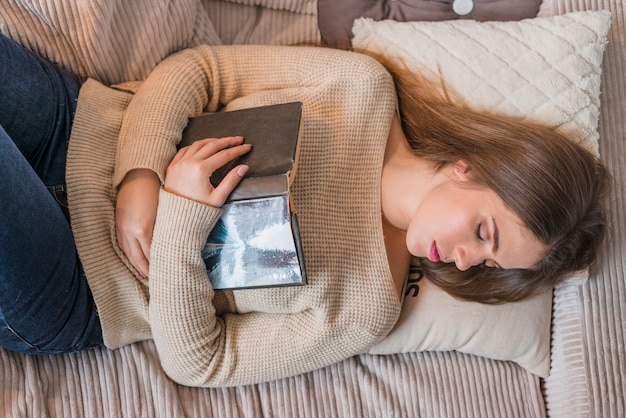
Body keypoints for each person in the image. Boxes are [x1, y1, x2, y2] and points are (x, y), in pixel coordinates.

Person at [0, 32, 609, 387]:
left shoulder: (371, 305)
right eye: (484, 230)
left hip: (80, 281)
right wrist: (139, 171)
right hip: (76, 123)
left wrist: (180, 227)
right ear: (470, 165)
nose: (466, 258)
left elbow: (201, 364)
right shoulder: (361, 87)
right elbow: (202, 70)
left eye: (487, 263)